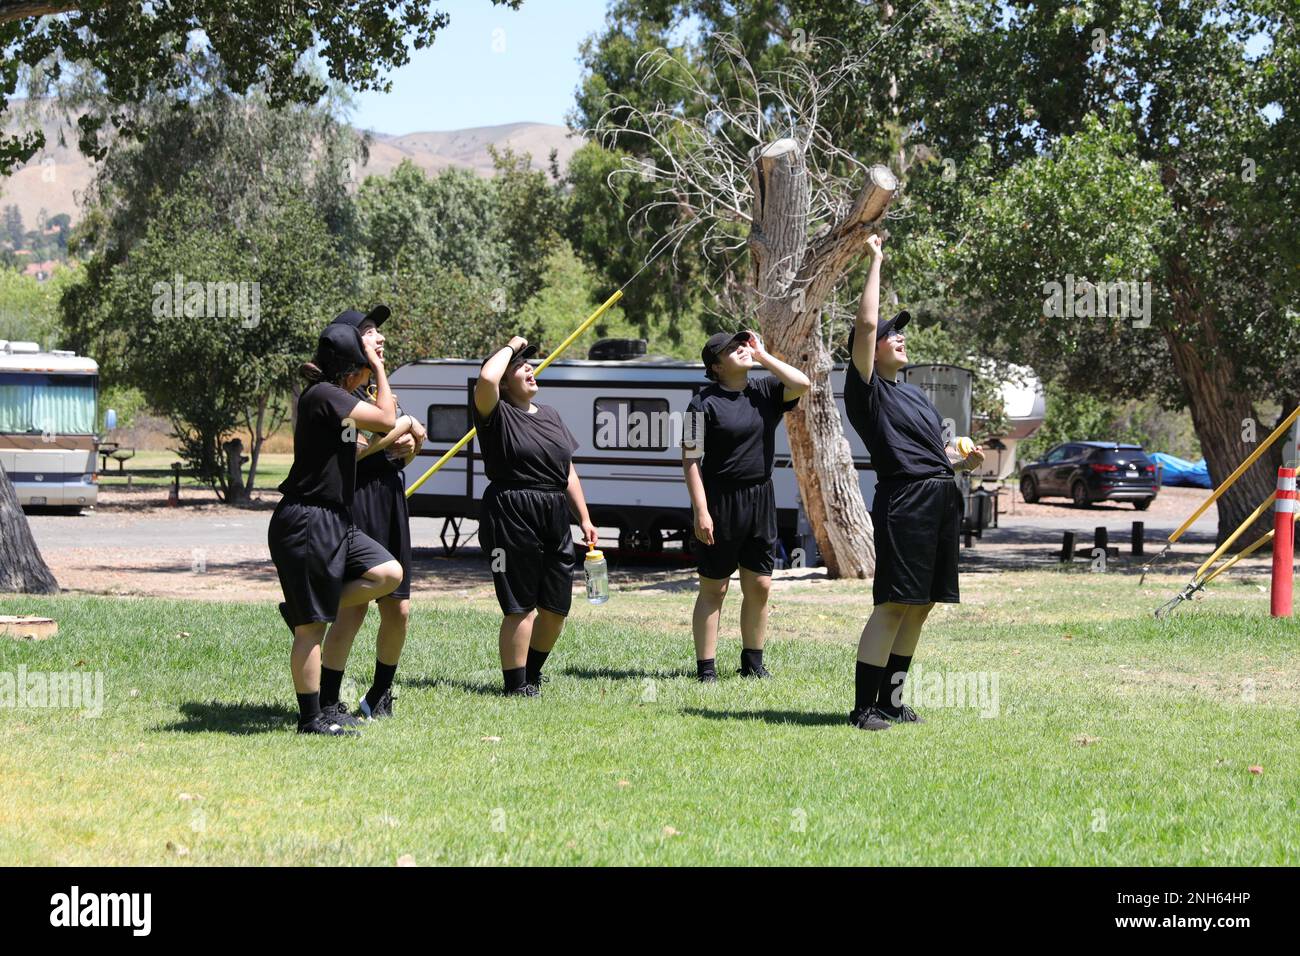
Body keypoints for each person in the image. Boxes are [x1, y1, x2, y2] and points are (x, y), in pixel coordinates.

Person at [842, 233, 983, 731]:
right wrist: (875, 259)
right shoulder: (867, 392)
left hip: (939, 498)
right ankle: (863, 708)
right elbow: (862, 322)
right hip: (903, 501)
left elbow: (936, 455)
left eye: (900, 333)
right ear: (870, 351)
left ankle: (892, 701)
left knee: (921, 607)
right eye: (890, 334)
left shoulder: (916, 395)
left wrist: (961, 463)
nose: (899, 338)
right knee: (893, 603)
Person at [268, 322, 413, 735]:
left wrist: (407, 438)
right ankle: (313, 718)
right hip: (308, 518)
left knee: (387, 574)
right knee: (312, 629)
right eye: (365, 368)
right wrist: (381, 371)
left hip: (334, 518)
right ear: (353, 369)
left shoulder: (335, 401)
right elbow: (386, 418)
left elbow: (370, 443)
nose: (370, 374)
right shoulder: (325, 395)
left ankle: (306, 608)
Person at [316, 306, 427, 723]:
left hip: (390, 500)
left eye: (379, 332)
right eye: (370, 332)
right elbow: (354, 455)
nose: (379, 338)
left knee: (399, 608)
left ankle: (379, 694)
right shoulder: (337, 394)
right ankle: (328, 700)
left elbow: (399, 453)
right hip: (355, 500)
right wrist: (399, 430)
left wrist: (408, 445)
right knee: (355, 608)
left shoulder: (377, 393)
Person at [473, 334, 598, 697]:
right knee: (520, 606)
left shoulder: (552, 415)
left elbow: (568, 471)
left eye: (530, 364)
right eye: (520, 366)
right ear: (506, 380)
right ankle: (515, 685)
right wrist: (511, 346)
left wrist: (584, 518)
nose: (529, 368)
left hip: (554, 511)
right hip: (511, 510)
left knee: (556, 608)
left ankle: (530, 673)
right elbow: (485, 379)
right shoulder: (494, 413)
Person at [681, 329, 810, 682]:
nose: (740, 349)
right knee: (715, 588)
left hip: (760, 498)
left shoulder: (765, 391)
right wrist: (701, 511)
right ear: (716, 367)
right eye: (730, 349)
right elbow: (690, 460)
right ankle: (706, 670)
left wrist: (763, 356)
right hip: (720, 500)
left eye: (742, 343)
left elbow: (803, 384)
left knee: (761, 586)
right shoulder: (701, 403)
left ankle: (753, 664)